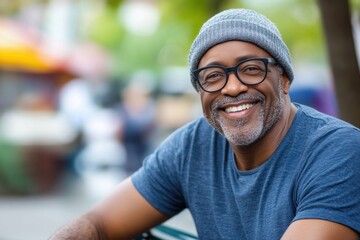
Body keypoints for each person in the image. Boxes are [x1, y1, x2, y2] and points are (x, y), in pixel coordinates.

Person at [49, 9, 360, 239]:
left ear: (285, 80)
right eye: (213, 76)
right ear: (199, 92)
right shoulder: (192, 147)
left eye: (251, 69)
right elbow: (98, 224)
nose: (233, 87)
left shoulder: (339, 151)